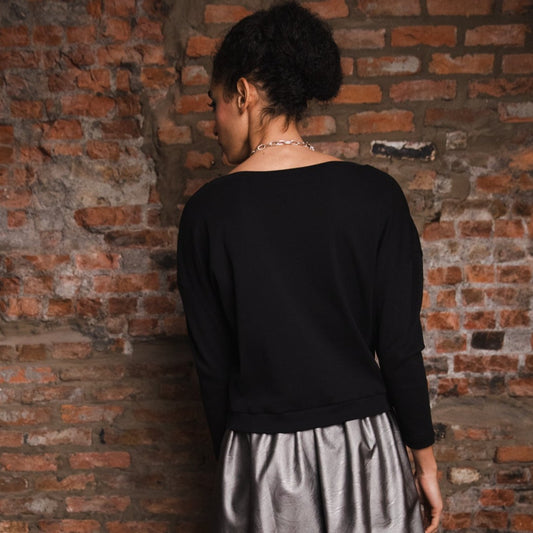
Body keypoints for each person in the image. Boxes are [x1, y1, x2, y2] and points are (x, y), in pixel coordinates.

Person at [177, 2, 443, 532]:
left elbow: (214, 370)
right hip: (366, 453)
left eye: (214, 104)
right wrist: (425, 464)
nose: (213, 124)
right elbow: (399, 349)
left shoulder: (207, 214)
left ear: (243, 93)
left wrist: (235, 465)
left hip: (263, 459)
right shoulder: (377, 196)